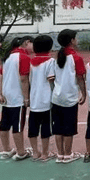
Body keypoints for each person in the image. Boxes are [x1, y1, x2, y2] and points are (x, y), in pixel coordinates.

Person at [51, 29, 86, 164]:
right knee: (69, 128)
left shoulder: (58, 56)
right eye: (75, 38)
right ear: (72, 40)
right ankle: (68, 154)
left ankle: (60, 154)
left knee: (58, 127)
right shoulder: (76, 58)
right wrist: (84, 93)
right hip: (70, 97)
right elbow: (80, 77)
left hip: (57, 97)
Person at [0, 36, 33, 161]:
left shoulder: (7, 57)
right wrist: (26, 98)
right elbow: (24, 79)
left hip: (7, 95)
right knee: (17, 125)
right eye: (32, 44)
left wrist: (0, 93)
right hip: (17, 96)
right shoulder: (23, 57)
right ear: (27, 43)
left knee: (5, 123)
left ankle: (6, 149)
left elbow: (1, 76)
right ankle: (21, 152)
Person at [28, 34, 56, 162]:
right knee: (46, 128)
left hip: (34, 99)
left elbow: (29, 80)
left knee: (33, 128)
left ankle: (35, 152)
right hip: (46, 100)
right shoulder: (50, 62)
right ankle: (45, 153)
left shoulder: (31, 62)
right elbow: (51, 80)